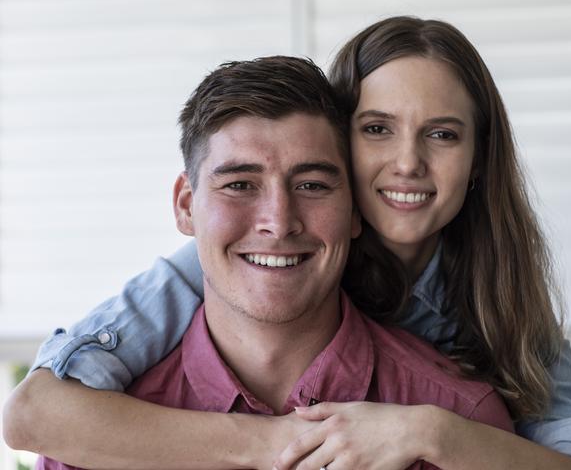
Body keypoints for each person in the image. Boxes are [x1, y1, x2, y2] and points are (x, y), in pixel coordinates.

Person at [3, 16, 571, 470]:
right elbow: (36, 412)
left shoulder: (498, 305)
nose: (408, 162)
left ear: (478, 161)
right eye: (377, 128)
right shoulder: (209, 270)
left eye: (442, 135)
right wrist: (279, 443)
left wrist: (433, 432)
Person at [31, 55, 512, 470]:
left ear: (355, 212)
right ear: (185, 206)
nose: (278, 223)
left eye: (312, 186)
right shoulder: (83, 445)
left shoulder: (464, 427)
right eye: (240, 184)